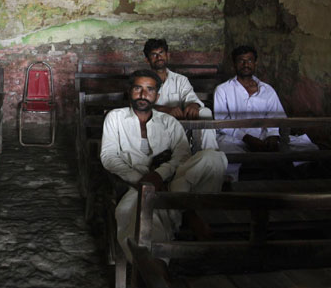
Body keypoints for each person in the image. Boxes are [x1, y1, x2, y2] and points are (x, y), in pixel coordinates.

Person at [100, 70, 227, 265]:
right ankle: (156, 266)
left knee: (214, 158)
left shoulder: (168, 121)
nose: (143, 95)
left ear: (157, 96)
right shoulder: (114, 118)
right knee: (136, 216)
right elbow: (109, 156)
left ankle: (190, 210)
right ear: (129, 92)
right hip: (138, 186)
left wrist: (160, 175)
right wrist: (140, 179)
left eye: (150, 90)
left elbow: (182, 155)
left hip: (173, 181)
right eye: (138, 88)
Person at [214, 45, 318, 180]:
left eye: (250, 60)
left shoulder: (267, 89)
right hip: (235, 139)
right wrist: (247, 138)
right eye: (241, 61)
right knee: (225, 156)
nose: (246, 64)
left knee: (309, 148)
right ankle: (235, 184)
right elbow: (222, 123)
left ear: (255, 63)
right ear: (234, 64)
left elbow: (278, 116)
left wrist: (273, 136)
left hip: (264, 137)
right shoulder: (223, 90)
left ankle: (293, 180)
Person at [143, 38, 218, 151]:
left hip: (180, 128)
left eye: (161, 53)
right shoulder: (142, 81)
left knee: (205, 112)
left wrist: (194, 105)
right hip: (154, 129)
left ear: (167, 55)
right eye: (154, 55)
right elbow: (138, 106)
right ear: (147, 60)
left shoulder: (180, 80)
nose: (159, 57)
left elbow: (191, 98)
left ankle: (210, 153)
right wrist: (165, 110)